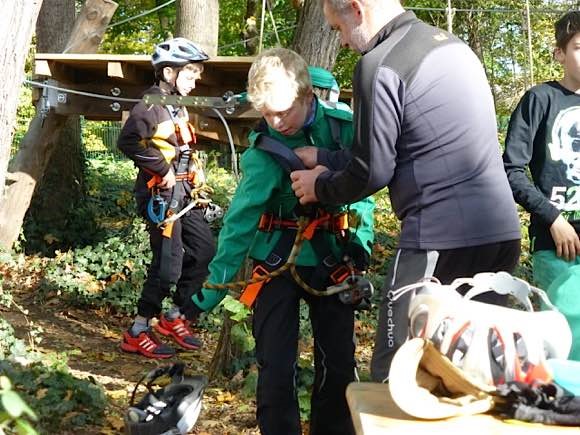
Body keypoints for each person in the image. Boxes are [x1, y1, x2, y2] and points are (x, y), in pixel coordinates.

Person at [289, 0, 522, 383]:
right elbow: (410, 145)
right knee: (470, 376)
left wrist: (320, 185)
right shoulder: (451, 46)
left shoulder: (380, 62)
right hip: (499, 236)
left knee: (397, 376)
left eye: (338, 29)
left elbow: (373, 171)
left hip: (438, 242)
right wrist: (328, 156)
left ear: (356, 8)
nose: (344, 42)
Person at [182, 48, 375, 435]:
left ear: (308, 95)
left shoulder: (342, 130)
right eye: (266, 113)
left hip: (334, 258)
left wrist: (361, 243)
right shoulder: (264, 150)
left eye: (283, 112)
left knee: (337, 364)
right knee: (273, 364)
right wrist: (212, 287)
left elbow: (365, 189)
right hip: (274, 263)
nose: (275, 122)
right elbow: (240, 220)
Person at [117, 38, 216, 359]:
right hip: (161, 195)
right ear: (169, 72)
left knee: (203, 252)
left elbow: (181, 147)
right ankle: (138, 329)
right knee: (167, 268)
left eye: (197, 73)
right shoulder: (151, 104)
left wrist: (195, 183)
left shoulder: (175, 103)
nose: (196, 79)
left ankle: (175, 315)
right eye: (190, 73)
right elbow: (128, 141)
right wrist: (162, 169)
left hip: (186, 193)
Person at [503, 12, 580, 359]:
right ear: (560, 53)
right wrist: (553, 217)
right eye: (579, 47)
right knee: (568, 340)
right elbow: (511, 169)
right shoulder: (540, 100)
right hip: (558, 246)